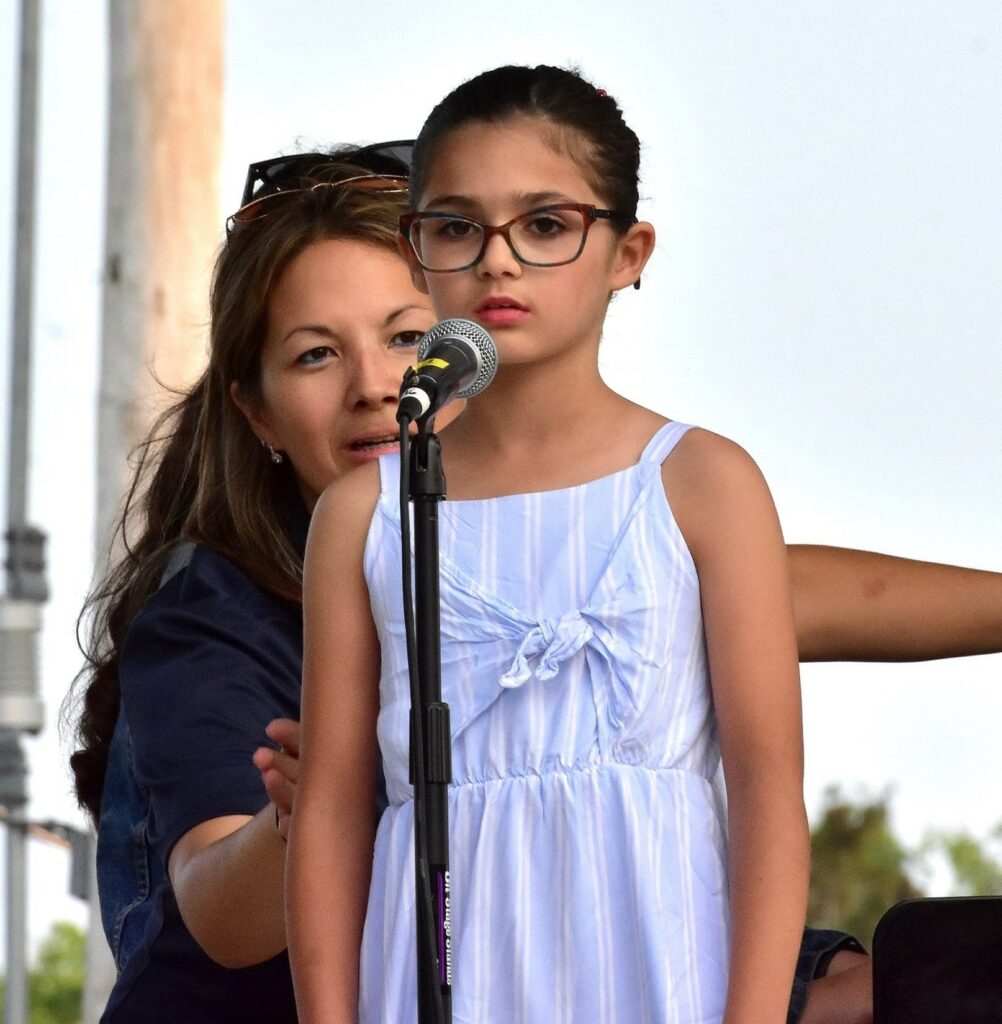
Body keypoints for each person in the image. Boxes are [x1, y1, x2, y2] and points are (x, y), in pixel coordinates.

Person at [71, 132, 1001, 1024]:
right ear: (258, 413)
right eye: (315, 354)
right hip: (305, 1001)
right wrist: (314, 814)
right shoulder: (213, 613)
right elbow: (218, 915)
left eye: (406, 337)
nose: (372, 384)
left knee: (900, 984)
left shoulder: (608, 520)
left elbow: (795, 593)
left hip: (548, 961)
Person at [284, 64, 856, 1023]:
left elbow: (765, 789)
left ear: (628, 252)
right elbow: (337, 811)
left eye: (545, 225)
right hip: (433, 979)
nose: (498, 261)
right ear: (416, 249)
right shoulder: (364, 514)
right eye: (458, 226)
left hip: (656, 962)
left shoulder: (703, 482)